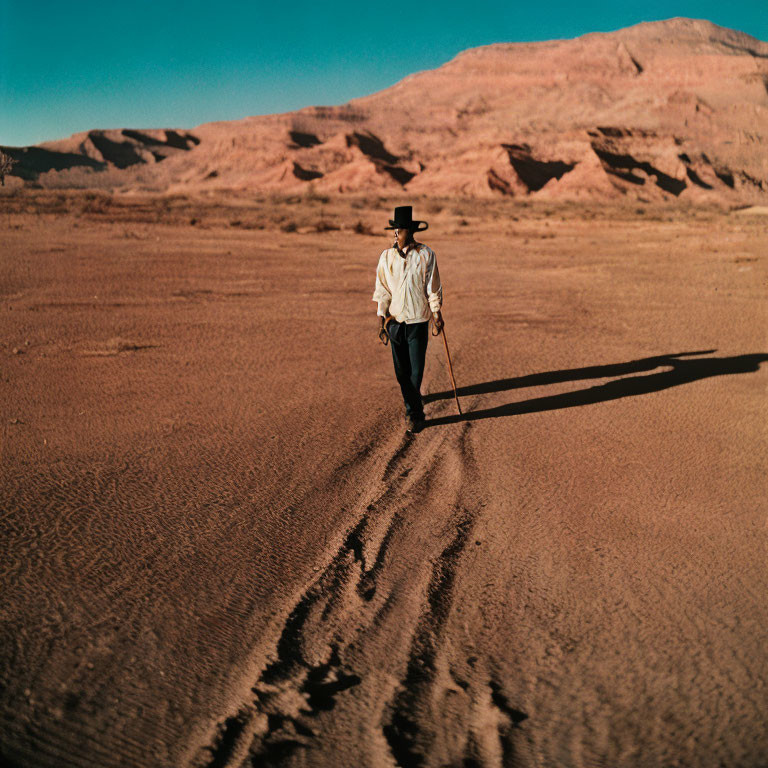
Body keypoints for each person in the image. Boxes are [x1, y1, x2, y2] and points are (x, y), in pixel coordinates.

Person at [372, 205, 443, 433]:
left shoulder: (426, 255)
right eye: (394, 230)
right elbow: (382, 289)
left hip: (418, 321)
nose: (395, 234)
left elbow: (433, 288)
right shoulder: (386, 257)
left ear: (410, 232)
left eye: (399, 230)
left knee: (416, 370)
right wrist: (381, 319)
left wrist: (437, 313)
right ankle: (413, 402)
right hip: (394, 322)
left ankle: (414, 413)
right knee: (401, 372)